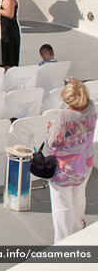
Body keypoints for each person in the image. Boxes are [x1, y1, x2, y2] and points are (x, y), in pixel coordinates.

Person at [46, 80, 96, 243]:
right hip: (85, 162)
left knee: (62, 203)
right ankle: (77, 229)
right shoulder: (91, 107)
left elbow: (53, 142)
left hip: (65, 167)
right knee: (78, 196)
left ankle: (63, 240)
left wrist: (50, 130)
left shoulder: (64, 115)